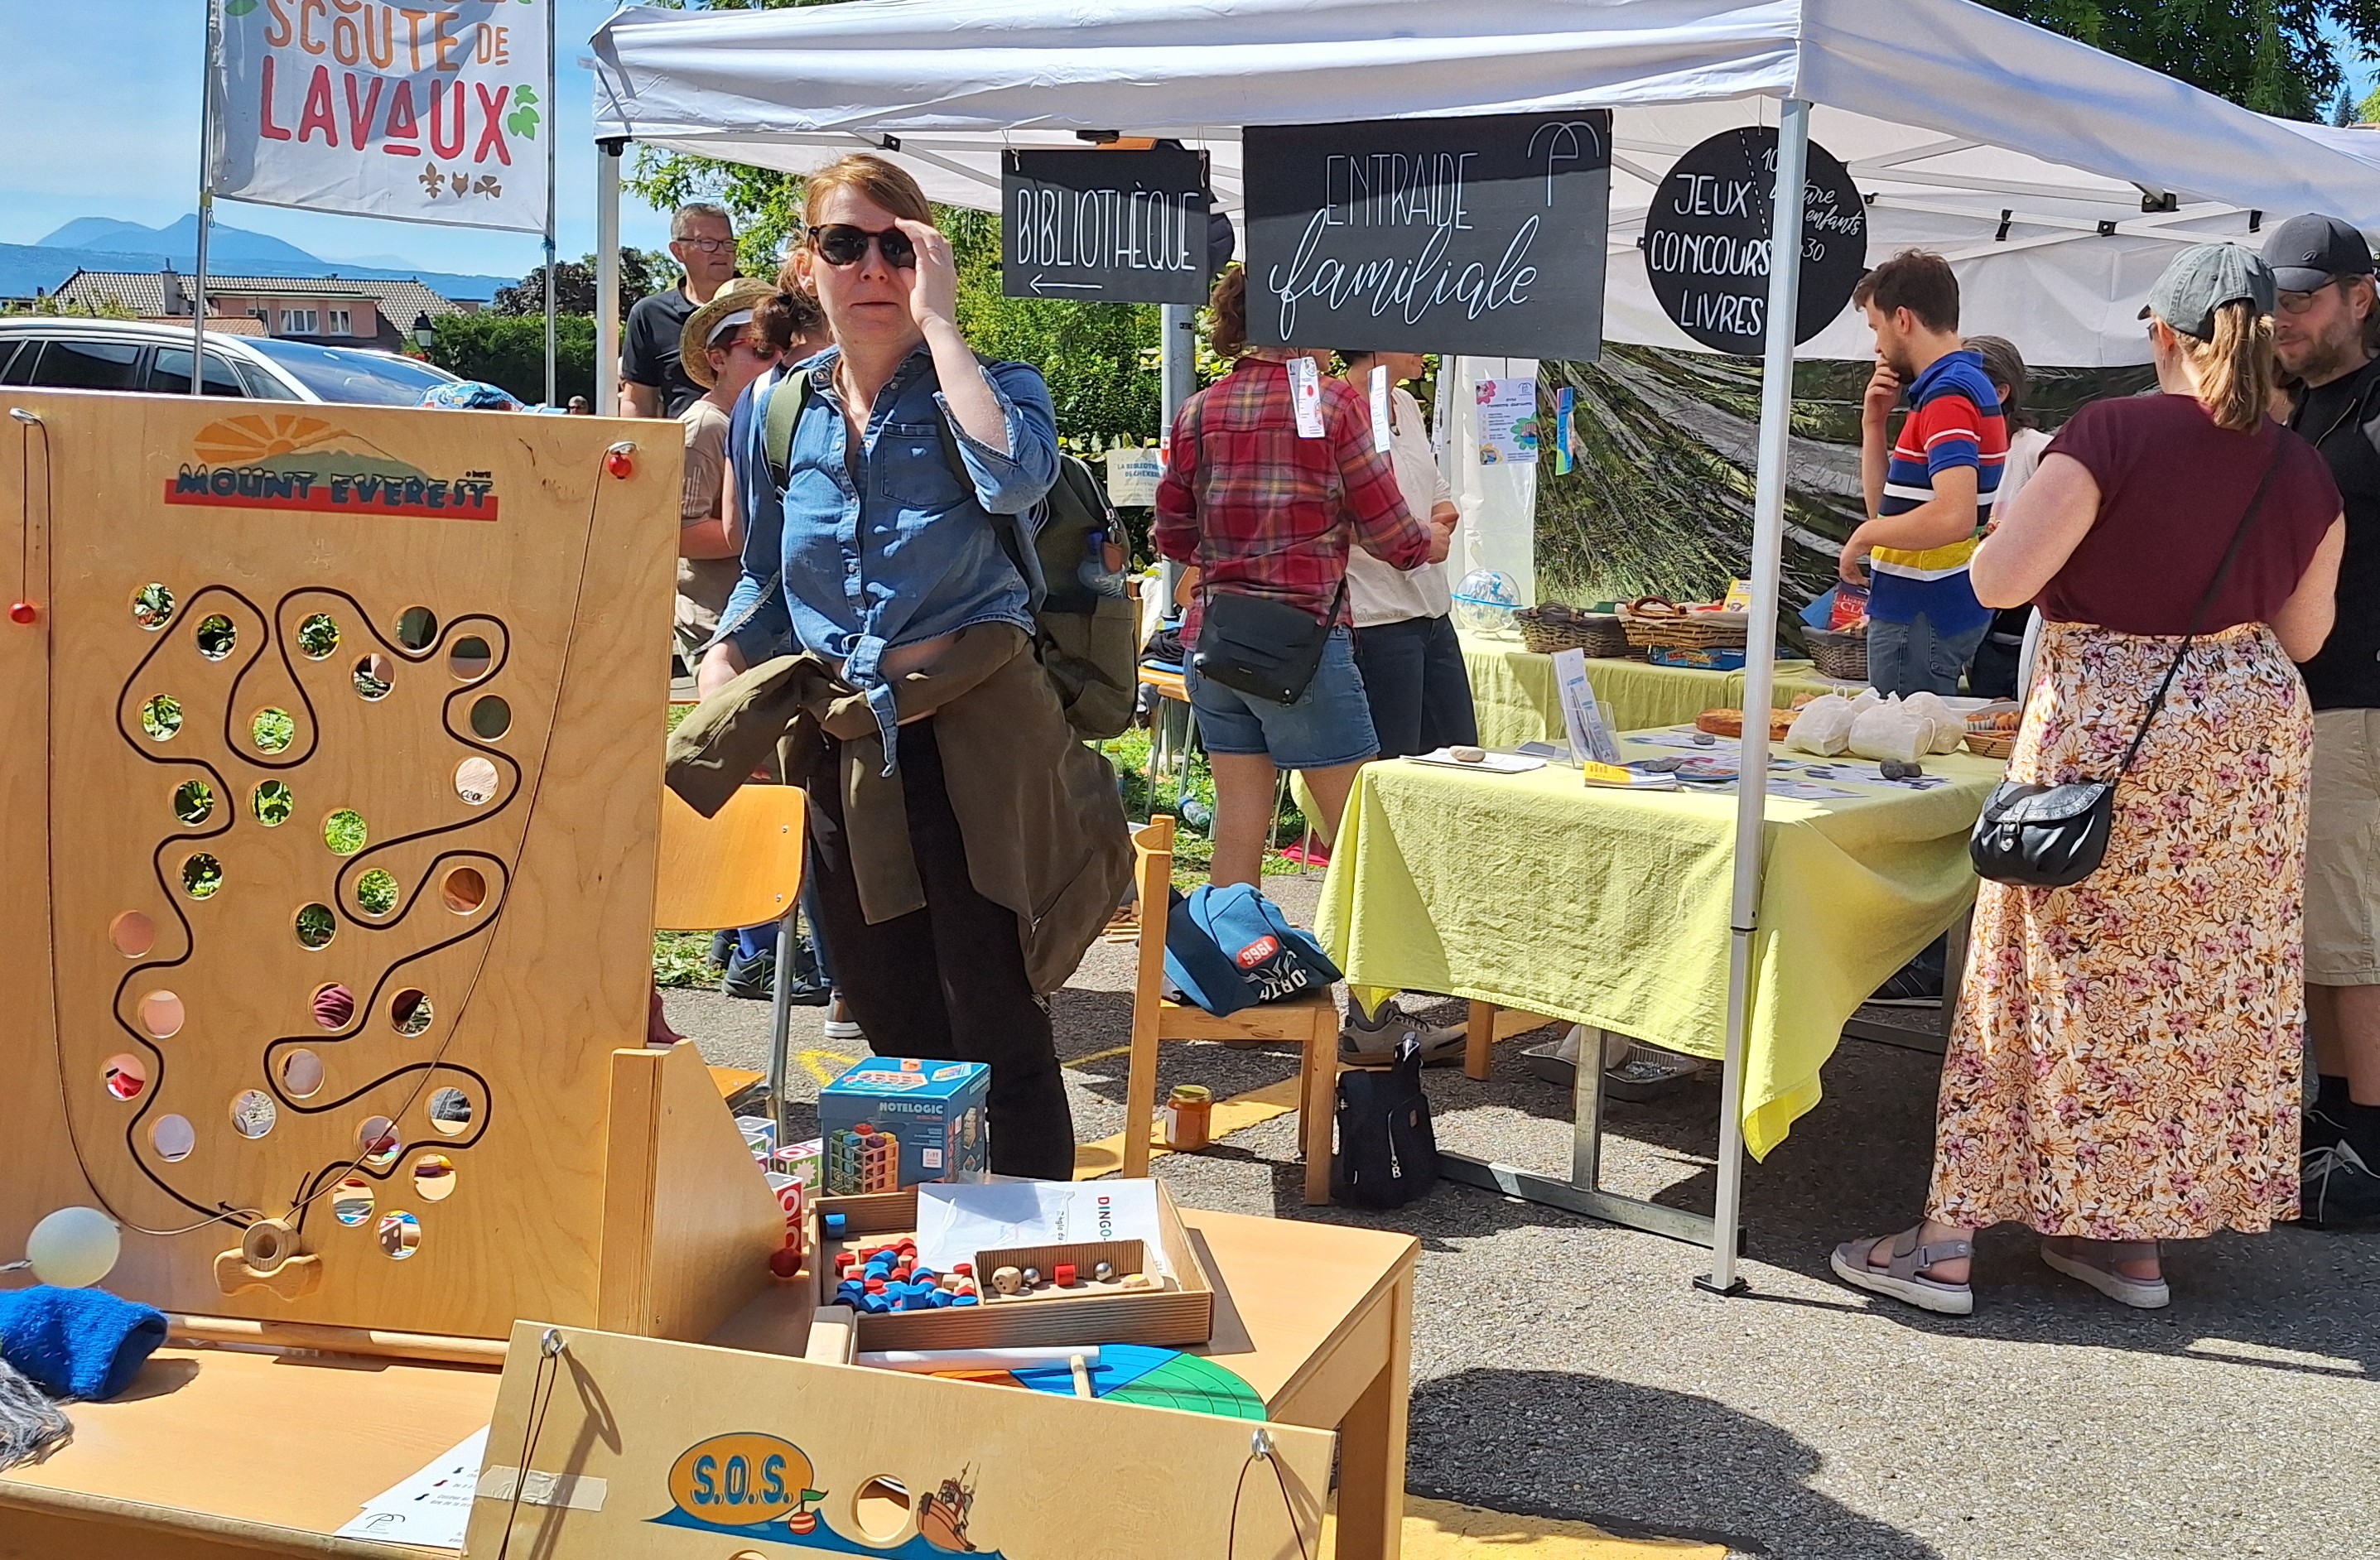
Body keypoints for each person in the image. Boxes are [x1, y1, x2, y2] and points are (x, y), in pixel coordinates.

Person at [1833, 243, 2344, 1316]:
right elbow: (2303, 633)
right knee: (2187, 994)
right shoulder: (2300, 464)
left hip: (2110, 728)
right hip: (2244, 750)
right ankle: (2124, 1243)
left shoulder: (2109, 431)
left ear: (2161, 331)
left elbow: (1999, 576)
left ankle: (1945, 1244)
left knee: (2033, 972)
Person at [693, 153, 1130, 1180]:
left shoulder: (993, 386)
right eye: (847, 244)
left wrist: (942, 326)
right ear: (809, 266)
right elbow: (764, 578)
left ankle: (1027, 1271)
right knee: (891, 1020)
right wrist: (724, 659)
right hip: (842, 744)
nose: (872, 267)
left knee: (998, 1018)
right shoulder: (778, 409)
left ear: (929, 258)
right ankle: (922, 1260)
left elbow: (1017, 477)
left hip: (981, 742)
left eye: (900, 245)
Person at [1154, 270, 1453, 1062]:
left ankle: (1229, 985)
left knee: (1238, 822)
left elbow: (1172, 534)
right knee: (1356, 836)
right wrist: (1433, 542)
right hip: (1304, 646)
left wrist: (1242, 551)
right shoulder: (1337, 403)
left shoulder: (1201, 408)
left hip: (1217, 641)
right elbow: (1394, 534)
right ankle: (1374, 1021)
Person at [2265, 212, 2380, 1223]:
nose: (2283, 316)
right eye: (2275, 301)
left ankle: (2372, 1147)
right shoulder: (2308, 408)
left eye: (2303, 298)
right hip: (2312, 698)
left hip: (2362, 700)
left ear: (2361, 296)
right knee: (2324, 936)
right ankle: (2336, 1119)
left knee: (2355, 937)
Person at [1842, 251, 2008, 696]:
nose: (1877, 346)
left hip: (1918, 616)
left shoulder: (1947, 394)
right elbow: (1892, 517)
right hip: (1926, 611)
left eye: (1876, 327)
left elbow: (1953, 517)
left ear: (1902, 319)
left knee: (1901, 754)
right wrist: (1873, 426)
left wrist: (1863, 536)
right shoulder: (1955, 386)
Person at [1335, 349, 1472, 759]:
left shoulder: (1406, 404)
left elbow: (1436, 490)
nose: (1424, 347)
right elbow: (1326, 516)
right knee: (1395, 762)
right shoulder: (1336, 411)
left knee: (1461, 754)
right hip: (1376, 617)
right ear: (1375, 342)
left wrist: (1434, 526)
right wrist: (1412, 539)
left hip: (1431, 609)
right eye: (1410, 337)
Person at [1961, 335, 2055, 701]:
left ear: (2001, 393)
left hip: (2015, 632)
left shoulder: (2038, 451)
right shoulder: (1952, 450)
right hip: (1960, 622)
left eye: (1965, 385)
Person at [623, 202, 740, 419]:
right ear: (678, 251)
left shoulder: (764, 306)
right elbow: (638, 400)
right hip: (683, 446)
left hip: (756, 445)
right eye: (708, 243)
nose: (722, 252)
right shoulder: (650, 314)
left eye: (728, 243)